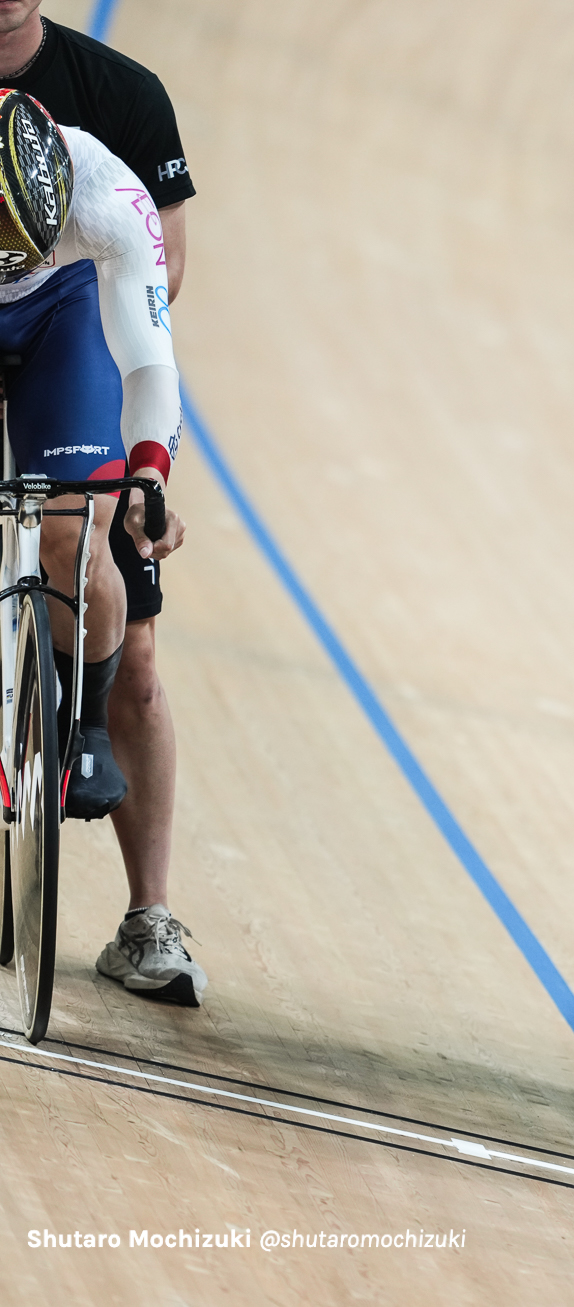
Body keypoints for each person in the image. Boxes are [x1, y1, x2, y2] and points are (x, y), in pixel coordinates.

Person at [0, 0, 199, 1006]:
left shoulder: (102, 187)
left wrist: (150, 467)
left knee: (80, 529)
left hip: (65, 304)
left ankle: (80, 728)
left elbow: (148, 351)